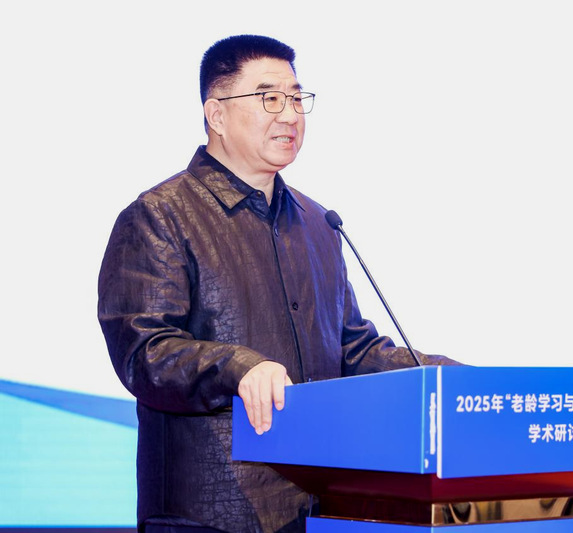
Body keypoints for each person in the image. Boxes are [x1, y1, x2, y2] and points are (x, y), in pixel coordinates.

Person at [97, 34, 455, 533]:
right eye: (269, 98)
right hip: (210, 513)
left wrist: (447, 380)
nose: (290, 114)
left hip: (321, 508)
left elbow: (351, 350)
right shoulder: (160, 216)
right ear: (216, 114)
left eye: (296, 98)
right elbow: (144, 352)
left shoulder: (317, 223)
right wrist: (237, 366)